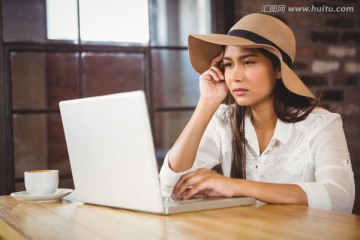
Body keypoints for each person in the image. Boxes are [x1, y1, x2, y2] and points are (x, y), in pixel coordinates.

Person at [159, 13, 355, 213]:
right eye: (228, 64)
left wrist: (236, 187)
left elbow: (340, 199)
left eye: (248, 62)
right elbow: (170, 185)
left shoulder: (322, 124)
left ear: (278, 69)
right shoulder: (224, 120)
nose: (234, 76)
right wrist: (206, 103)